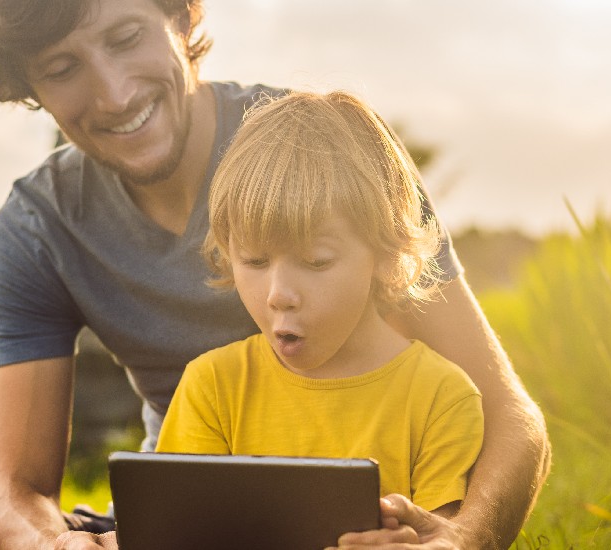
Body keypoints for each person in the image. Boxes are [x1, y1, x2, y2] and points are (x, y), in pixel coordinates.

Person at [0, 0, 550, 548]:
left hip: (346, 534)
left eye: (126, 36)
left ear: (182, 16)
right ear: (30, 89)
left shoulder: (317, 158)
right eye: (63, 68)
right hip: (161, 538)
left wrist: (460, 542)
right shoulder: (36, 226)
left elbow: (512, 416)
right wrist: (54, 544)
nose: (111, 93)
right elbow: (20, 491)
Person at [154, 90, 485, 540]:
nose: (279, 295)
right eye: (253, 261)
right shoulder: (212, 387)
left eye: (315, 262)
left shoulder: (441, 398)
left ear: (386, 254)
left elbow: (439, 539)